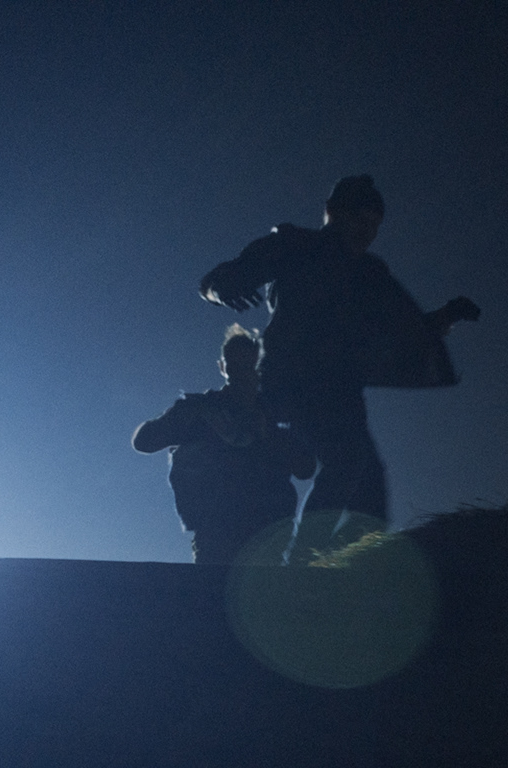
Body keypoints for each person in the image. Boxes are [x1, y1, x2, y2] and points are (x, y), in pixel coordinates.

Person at [197, 175, 477, 544]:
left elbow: (404, 329)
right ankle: (306, 556)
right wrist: (222, 289)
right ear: (333, 212)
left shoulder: (369, 273)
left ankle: (351, 559)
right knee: (346, 461)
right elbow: (217, 279)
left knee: (370, 484)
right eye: (360, 220)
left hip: (340, 386)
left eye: (374, 225)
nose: (367, 232)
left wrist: (446, 316)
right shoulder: (296, 245)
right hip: (294, 378)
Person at [132, 325, 315, 564]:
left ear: (259, 367)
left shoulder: (276, 414)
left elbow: (306, 467)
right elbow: (144, 442)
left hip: (268, 532)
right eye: (234, 366)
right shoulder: (200, 409)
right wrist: (180, 419)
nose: (241, 374)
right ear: (222, 367)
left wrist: (268, 435)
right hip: (216, 532)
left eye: (247, 366)